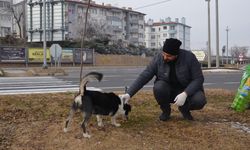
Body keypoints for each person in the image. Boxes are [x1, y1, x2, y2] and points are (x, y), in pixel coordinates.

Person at [120, 38, 207, 121]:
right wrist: (129, 94)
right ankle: (166, 111)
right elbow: (145, 76)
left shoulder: (189, 58)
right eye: (164, 54)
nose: (165, 57)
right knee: (159, 87)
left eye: (169, 56)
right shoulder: (158, 58)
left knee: (199, 100)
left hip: (186, 89)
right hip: (168, 89)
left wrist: (185, 94)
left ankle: (184, 108)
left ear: (176, 55)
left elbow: (198, 79)